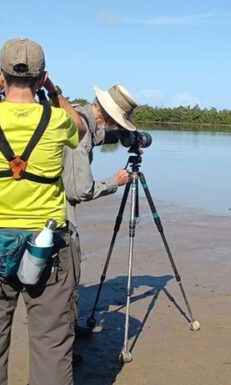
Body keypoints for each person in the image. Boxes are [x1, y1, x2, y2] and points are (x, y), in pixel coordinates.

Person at [0, 38, 86, 385]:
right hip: (49, 245)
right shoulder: (57, 120)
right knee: (53, 346)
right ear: (41, 77)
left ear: (1, 74)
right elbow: (81, 129)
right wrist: (55, 92)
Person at [65, 85, 133, 342]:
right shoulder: (80, 129)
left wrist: (125, 137)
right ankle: (64, 341)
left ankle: (69, 327)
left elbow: (98, 137)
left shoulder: (78, 114)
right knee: (67, 276)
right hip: (58, 214)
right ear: (110, 117)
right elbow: (79, 191)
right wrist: (114, 181)